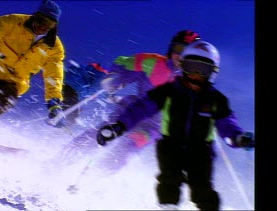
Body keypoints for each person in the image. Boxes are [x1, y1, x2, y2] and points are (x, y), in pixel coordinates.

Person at [96, 40, 255, 211]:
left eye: (203, 70)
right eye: (191, 66)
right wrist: (119, 126)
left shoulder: (216, 99)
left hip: (201, 149)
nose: (196, 74)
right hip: (171, 145)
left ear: (212, 73)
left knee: (202, 188)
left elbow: (227, 123)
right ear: (182, 66)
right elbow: (141, 108)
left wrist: (238, 138)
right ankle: (168, 206)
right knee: (169, 180)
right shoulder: (169, 91)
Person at [99, 30, 201, 147]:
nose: (181, 57)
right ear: (171, 49)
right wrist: (115, 77)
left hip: (154, 126)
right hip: (132, 109)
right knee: (105, 130)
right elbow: (124, 63)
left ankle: (107, 165)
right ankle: (76, 148)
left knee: (128, 147)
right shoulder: (154, 63)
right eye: (178, 49)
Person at [0, 0, 66, 127]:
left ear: (54, 26)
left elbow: (54, 76)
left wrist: (54, 102)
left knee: (7, 99)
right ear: (35, 16)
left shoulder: (54, 48)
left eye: (49, 24)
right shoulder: (12, 22)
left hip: (12, 82)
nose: (43, 27)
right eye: (41, 21)